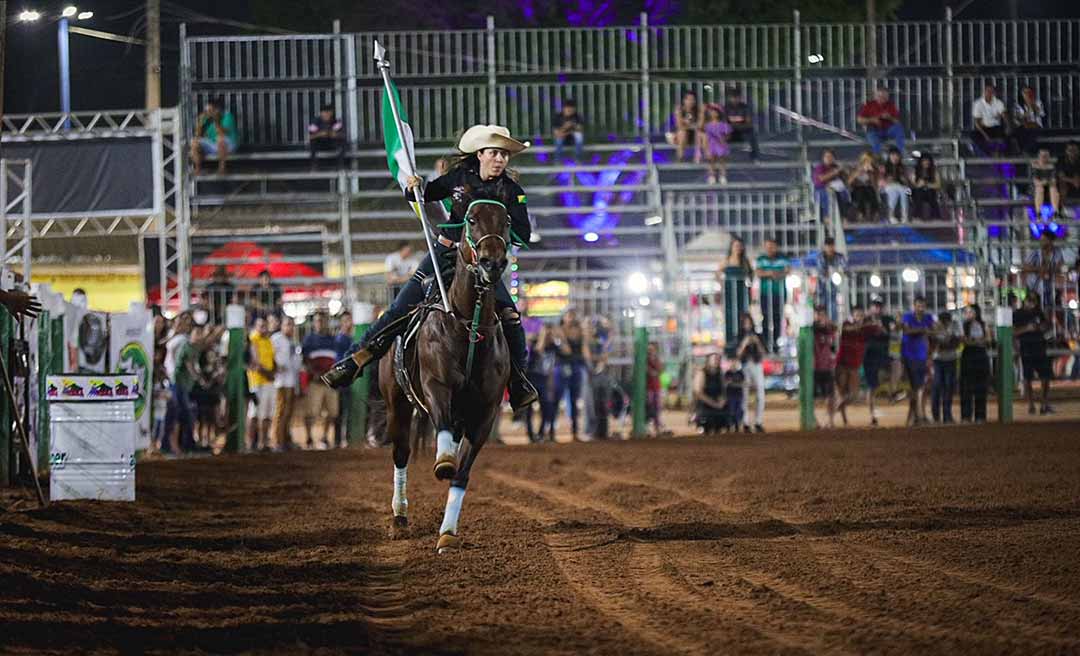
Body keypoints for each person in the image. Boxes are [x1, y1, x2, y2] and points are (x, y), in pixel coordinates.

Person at [322, 125, 538, 412]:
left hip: (484, 266)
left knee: (511, 318)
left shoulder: (513, 192)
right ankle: (353, 360)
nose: (500, 160)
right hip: (445, 255)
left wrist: (498, 237)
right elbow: (424, 195)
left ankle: (519, 381)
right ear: (481, 154)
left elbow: (522, 232)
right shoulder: (459, 178)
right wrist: (415, 186)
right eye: (495, 153)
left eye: (505, 155)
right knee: (401, 308)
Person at [835, 305, 880, 427]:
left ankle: (837, 407)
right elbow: (848, 329)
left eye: (861, 315)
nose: (859, 317)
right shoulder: (846, 324)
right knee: (842, 392)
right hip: (841, 365)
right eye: (856, 315)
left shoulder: (866, 329)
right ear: (852, 315)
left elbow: (879, 329)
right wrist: (866, 324)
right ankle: (844, 421)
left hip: (855, 366)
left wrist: (872, 320)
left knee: (853, 396)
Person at [302, 311, 340, 449]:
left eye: (322, 320)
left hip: (330, 381)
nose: (319, 323)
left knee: (332, 412)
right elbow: (305, 361)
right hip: (315, 381)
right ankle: (309, 438)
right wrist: (314, 373)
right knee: (312, 412)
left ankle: (324, 437)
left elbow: (336, 360)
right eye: (317, 321)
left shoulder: (332, 340)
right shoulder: (309, 339)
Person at [1014, 293, 1054, 415]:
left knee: (1045, 376)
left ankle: (1044, 403)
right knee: (1027, 377)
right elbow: (1013, 332)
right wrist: (1027, 329)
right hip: (1026, 348)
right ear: (1024, 300)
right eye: (1029, 300)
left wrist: (1043, 326)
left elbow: (1047, 327)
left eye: (1034, 301)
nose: (1031, 303)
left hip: (1040, 347)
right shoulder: (1018, 314)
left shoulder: (1038, 312)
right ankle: (1031, 404)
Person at [553, 309, 588, 441]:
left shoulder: (579, 331)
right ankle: (551, 430)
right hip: (562, 366)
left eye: (573, 316)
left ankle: (574, 432)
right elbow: (565, 350)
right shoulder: (559, 330)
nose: (571, 319)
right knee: (557, 398)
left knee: (574, 400)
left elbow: (583, 348)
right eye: (569, 316)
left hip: (575, 366)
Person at [901, 295, 935, 426]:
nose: (920, 308)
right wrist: (923, 330)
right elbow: (907, 330)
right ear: (914, 306)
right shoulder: (908, 316)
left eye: (922, 306)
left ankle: (914, 417)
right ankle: (918, 416)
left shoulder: (928, 318)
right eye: (918, 306)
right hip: (909, 356)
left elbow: (934, 331)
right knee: (917, 388)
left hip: (922, 357)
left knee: (919, 388)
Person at [862, 299, 894, 426]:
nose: (877, 309)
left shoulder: (887, 319)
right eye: (875, 306)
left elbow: (892, 333)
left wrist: (881, 328)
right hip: (869, 357)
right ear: (870, 308)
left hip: (884, 356)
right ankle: (872, 416)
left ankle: (892, 393)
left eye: (879, 307)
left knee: (892, 370)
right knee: (871, 386)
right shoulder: (865, 321)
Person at [755, 236, 790, 352]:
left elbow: (787, 271)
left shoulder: (783, 258)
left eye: (772, 247)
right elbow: (758, 272)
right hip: (765, 293)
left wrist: (770, 273)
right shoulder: (761, 259)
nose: (770, 249)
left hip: (779, 293)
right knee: (765, 317)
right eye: (768, 247)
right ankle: (765, 342)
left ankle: (775, 342)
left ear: (776, 247)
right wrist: (772, 273)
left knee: (777, 317)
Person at [720, 237, 753, 358]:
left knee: (742, 316)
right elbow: (718, 274)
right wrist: (723, 284)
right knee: (730, 316)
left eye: (740, 246)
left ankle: (742, 344)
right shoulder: (726, 261)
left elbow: (751, 275)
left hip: (741, 292)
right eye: (736, 245)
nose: (738, 248)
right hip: (730, 292)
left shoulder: (745, 261)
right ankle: (730, 346)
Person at [247, 316, 276, 451]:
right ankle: (251, 443)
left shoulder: (268, 340)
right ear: (255, 327)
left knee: (268, 414)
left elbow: (272, 359)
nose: (263, 328)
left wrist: (273, 372)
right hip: (257, 381)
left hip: (269, 381)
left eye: (265, 325)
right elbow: (254, 362)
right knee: (254, 414)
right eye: (260, 325)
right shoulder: (253, 338)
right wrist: (268, 374)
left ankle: (263, 442)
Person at [271, 316, 299, 451]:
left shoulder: (293, 342)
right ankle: (277, 441)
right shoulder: (276, 339)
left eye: (292, 325)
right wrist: (275, 366)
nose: (290, 328)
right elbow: (270, 356)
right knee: (280, 411)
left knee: (288, 411)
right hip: (279, 382)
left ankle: (286, 439)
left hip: (291, 381)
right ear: (282, 326)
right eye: (287, 324)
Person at [735, 313, 766, 433]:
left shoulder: (757, 335)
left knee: (760, 394)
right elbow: (737, 354)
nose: (747, 325)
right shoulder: (740, 336)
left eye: (748, 322)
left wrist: (757, 342)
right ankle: (746, 422)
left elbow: (763, 353)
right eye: (744, 323)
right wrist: (744, 343)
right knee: (744, 395)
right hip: (745, 366)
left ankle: (758, 421)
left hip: (757, 365)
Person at [959, 304, 991, 422]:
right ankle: (966, 416)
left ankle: (980, 415)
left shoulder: (983, 324)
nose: (967, 314)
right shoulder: (963, 325)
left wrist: (974, 341)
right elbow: (965, 341)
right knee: (966, 388)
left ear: (976, 313)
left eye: (970, 312)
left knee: (981, 387)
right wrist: (978, 341)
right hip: (968, 357)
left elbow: (988, 340)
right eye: (966, 312)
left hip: (980, 357)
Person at [190, 96, 238, 176]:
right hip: (213, 145)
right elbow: (198, 135)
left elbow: (222, 133)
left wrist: (216, 120)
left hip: (229, 145)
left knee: (220, 139)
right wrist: (200, 123)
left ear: (217, 109)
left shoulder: (227, 116)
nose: (209, 113)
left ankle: (222, 169)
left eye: (211, 110)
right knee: (194, 142)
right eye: (207, 111)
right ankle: (198, 169)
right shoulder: (207, 118)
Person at [930, 311, 962, 424]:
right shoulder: (934, 328)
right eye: (943, 321)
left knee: (948, 388)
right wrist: (946, 342)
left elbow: (956, 343)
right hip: (937, 361)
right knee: (937, 386)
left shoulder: (954, 326)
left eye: (947, 322)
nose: (945, 324)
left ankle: (947, 415)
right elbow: (934, 344)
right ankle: (936, 416)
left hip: (951, 360)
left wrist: (945, 343)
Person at [525, 325, 555, 443]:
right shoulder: (534, 345)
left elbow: (551, 366)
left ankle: (541, 433)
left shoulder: (553, 347)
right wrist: (542, 336)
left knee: (546, 408)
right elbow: (538, 350)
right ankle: (531, 435)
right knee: (529, 410)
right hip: (531, 379)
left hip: (543, 380)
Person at [1023, 231, 1066, 311]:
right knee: (1033, 309)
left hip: (1050, 287)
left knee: (1051, 309)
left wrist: (1049, 270)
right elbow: (1025, 267)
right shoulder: (1035, 253)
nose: (1041, 242)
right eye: (1041, 240)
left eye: (1044, 240)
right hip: (1034, 287)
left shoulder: (1057, 253)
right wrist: (1039, 269)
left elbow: (1061, 267)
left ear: (1050, 241)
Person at [857, 87, 905, 155]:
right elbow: (859, 120)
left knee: (899, 129)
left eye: (884, 96)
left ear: (887, 97)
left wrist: (889, 117)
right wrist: (872, 120)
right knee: (876, 145)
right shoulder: (869, 105)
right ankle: (878, 160)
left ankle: (899, 153)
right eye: (879, 96)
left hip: (887, 130)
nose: (882, 98)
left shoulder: (891, 105)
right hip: (873, 131)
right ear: (875, 96)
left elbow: (897, 122)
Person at [812, 306, 838, 428]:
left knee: (831, 396)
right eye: (818, 315)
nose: (821, 317)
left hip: (827, 367)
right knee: (813, 397)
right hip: (815, 368)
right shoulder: (812, 330)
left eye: (823, 315)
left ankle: (830, 421)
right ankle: (816, 421)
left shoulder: (830, 330)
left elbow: (834, 331)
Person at [812, 237, 846, 322]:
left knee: (833, 306)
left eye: (832, 246)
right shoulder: (820, 257)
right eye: (828, 246)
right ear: (825, 247)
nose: (830, 248)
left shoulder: (839, 257)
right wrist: (831, 273)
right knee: (822, 307)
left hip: (835, 287)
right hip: (822, 288)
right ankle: (822, 324)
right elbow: (822, 274)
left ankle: (833, 324)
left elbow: (844, 269)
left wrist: (836, 273)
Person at [333, 311, 354, 448]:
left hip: (350, 379)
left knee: (347, 411)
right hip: (341, 379)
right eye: (345, 320)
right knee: (339, 412)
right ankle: (337, 440)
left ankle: (345, 438)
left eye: (350, 320)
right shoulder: (339, 340)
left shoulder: (352, 339)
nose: (348, 323)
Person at [971, 85, 1009, 156]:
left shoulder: (998, 102)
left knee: (1006, 136)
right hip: (983, 128)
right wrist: (985, 135)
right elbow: (977, 123)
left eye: (992, 91)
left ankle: (999, 154)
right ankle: (988, 154)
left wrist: (1007, 126)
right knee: (974, 136)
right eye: (988, 91)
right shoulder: (978, 103)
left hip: (996, 127)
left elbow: (1005, 116)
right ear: (984, 92)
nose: (990, 93)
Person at [723, 87, 760, 161]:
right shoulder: (726, 108)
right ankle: (721, 156)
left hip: (742, 130)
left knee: (752, 133)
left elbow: (749, 123)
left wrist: (736, 125)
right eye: (733, 97)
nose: (735, 99)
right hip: (730, 131)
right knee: (721, 132)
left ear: (740, 98)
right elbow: (723, 123)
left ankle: (755, 157)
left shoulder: (745, 108)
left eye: (737, 97)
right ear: (729, 98)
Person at [812, 149, 850, 222]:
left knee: (844, 194)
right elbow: (821, 178)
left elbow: (846, 181)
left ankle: (843, 217)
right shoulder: (820, 167)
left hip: (837, 189)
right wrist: (835, 172)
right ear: (823, 158)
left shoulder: (836, 166)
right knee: (828, 194)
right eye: (827, 157)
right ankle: (828, 217)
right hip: (822, 190)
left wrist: (846, 172)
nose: (829, 158)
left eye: (831, 156)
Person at [699, 104, 732, 184]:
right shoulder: (707, 125)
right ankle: (711, 175)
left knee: (722, 160)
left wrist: (724, 139)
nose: (713, 113)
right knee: (711, 161)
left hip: (720, 145)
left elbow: (728, 135)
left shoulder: (723, 124)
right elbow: (702, 132)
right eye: (711, 112)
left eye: (715, 112)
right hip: (711, 145)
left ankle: (723, 175)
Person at [693, 353, 726, 435]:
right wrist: (714, 403)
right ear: (708, 360)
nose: (716, 361)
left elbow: (723, 391)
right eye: (714, 359)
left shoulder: (720, 373)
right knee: (706, 428)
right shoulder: (702, 373)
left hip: (717, 405)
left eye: (718, 359)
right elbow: (698, 393)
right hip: (705, 405)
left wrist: (722, 400)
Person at [308, 103, 346, 169]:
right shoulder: (315, 122)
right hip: (320, 144)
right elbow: (310, 137)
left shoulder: (335, 121)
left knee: (342, 142)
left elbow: (343, 135)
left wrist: (335, 135)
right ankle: (314, 165)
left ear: (331, 113)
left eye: (329, 113)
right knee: (313, 142)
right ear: (321, 113)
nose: (327, 115)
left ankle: (340, 165)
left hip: (331, 143)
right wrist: (320, 134)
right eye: (325, 112)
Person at [847, 151, 881, 222]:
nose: (867, 162)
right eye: (865, 160)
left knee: (872, 193)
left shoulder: (874, 169)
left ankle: (873, 214)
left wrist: (871, 173)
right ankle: (861, 214)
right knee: (860, 193)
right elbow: (849, 182)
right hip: (857, 188)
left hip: (869, 188)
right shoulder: (855, 168)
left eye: (869, 160)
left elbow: (875, 185)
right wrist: (859, 172)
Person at [1012, 86, 1045, 156]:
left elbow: (1039, 114)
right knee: (1019, 132)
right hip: (1023, 126)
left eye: (1029, 92)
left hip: (1036, 125)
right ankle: (1023, 151)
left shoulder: (1038, 102)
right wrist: (1027, 112)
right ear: (1022, 94)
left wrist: (1031, 105)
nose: (1028, 94)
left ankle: (1026, 151)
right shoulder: (1018, 105)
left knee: (1033, 131)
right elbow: (1018, 118)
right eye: (1025, 93)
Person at [881, 146, 910, 223]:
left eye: (897, 155)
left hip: (900, 186)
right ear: (889, 156)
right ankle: (891, 216)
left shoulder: (902, 167)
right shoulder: (884, 167)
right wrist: (887, 181)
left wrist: (904, 179)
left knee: (905, 191)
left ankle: (904, 216)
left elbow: (907, 182)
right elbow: (880, 181)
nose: (895, 157)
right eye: (893, 155)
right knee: (893, 193)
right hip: (887, 187)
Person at [672, 90, 702, 162]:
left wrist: (688, 124)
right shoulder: (679, 110)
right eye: (688, 99)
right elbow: (679, 125)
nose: (690, 101)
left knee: (700, 133)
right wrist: (691, 125)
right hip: (678, 135)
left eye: (693, 99)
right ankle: (680, 157)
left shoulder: (699, 110)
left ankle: (697, 157)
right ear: (684, 100)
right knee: (683, 132)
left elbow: (700, 125)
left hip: (694, 134)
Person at [1031, 148, 1062, 218]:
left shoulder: (1052, 167)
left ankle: (1055, 212)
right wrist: (1043, 182)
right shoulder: (1034, 166)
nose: (1044, 157)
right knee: (1039, 189)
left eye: (1046, 155)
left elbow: (1054, 180)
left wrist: (1046, 182)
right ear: (1039, 156)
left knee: (1053, 189)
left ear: (1048, 157)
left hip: (1049, 187)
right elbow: (1035, 181)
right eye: (1042, 155)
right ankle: (1038, 212)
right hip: (1036, 188)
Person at [911, 153, 942, 221]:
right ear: (921, 162)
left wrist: (927, 184)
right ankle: (916, 217)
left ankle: (935, 217)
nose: (926, 162)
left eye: (928, 161)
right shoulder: (915, 171)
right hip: (918, 192)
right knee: (918, 193)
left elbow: (938, 185)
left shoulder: (934, 172)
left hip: (930, 192)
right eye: (924, 161)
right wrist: (918, 185)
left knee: (930, 193)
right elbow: (912, 185)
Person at [646, 342, 664, 436]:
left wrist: (654, 361)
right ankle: (648, 427)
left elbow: (660, 370)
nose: (650, 352)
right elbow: (650, 372)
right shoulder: (644, 360)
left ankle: (657, 428)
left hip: (656, 387)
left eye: (652, 350)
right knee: (649, 407)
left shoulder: (656, 359)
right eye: (649, 350)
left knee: (657, 407)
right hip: (648, 387)